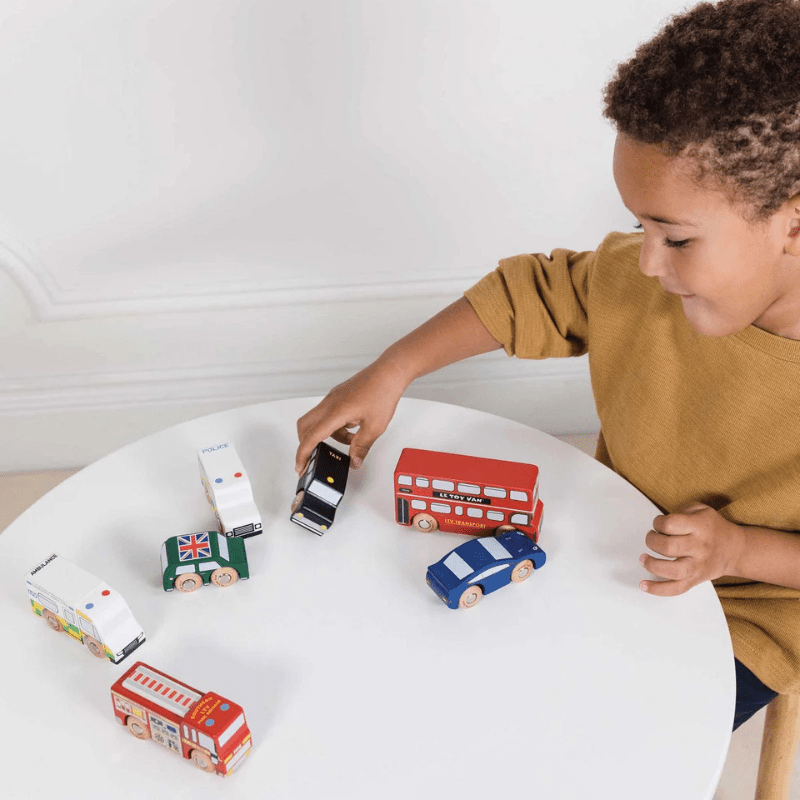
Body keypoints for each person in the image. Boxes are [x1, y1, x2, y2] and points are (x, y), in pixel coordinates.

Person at [295, 0, 800, 731]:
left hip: (756, 612)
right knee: (464, 687)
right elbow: (532, 293)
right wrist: (392, 370)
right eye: (637, 225)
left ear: (793, 222)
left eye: (676, 238)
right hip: (609, 541)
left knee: (617, 742)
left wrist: (739, 549)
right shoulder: (645, 279)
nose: (646, 262)